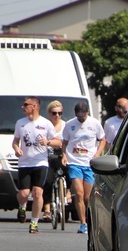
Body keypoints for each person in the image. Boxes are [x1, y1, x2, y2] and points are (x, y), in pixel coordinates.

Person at [12, 97, 61, 234]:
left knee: (37, 193)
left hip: (40, 162)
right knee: (23, 193)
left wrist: (48, 142)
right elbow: (15, 141)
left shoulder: (45, 123)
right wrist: (16, 149)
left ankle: (34, 223)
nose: (23, 107)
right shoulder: (20, 123)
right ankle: (22, 206)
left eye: (25, 105)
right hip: (24, 163)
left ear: (34, 106)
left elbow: (58, 142)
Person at [62, 101, 106, 234]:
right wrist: (64, 155)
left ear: (87, 112)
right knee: (79, 194)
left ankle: (91, 220)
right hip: (74, 161)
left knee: (88, 197)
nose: (81, 118)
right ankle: (83, 223)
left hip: (89, 163)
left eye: (83, 116)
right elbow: (64, 142)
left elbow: (102, 140)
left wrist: (97, 154)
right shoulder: (70, 124)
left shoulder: (94, 123)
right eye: (79, 116)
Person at [42, 100, 68, 222]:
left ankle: (67, 193)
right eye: (54, 113)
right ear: (49, 113)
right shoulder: (45, 125)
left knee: (70, 170)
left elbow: (69, 142)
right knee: (48, 180)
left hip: (61, 155)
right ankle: (47, 208)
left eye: (60, 113)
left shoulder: (65, 125)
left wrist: (65, 155)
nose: (57, 115)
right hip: (46, 156)